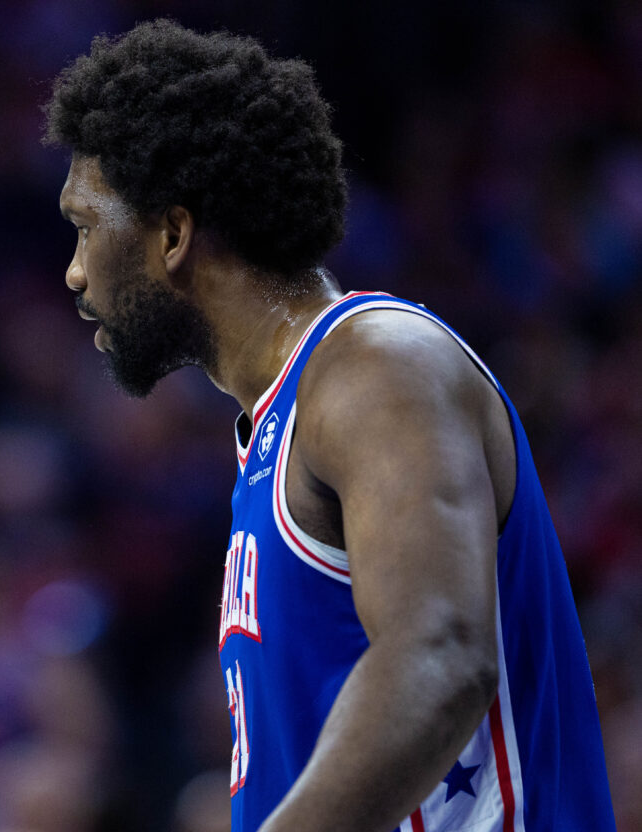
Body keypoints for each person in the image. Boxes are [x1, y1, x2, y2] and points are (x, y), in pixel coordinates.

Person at [46, 20, 615, 832]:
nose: (73, 270)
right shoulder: (274, 428)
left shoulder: (377, 364)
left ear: (172, 235)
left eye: (84, 226)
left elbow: (442, 655)